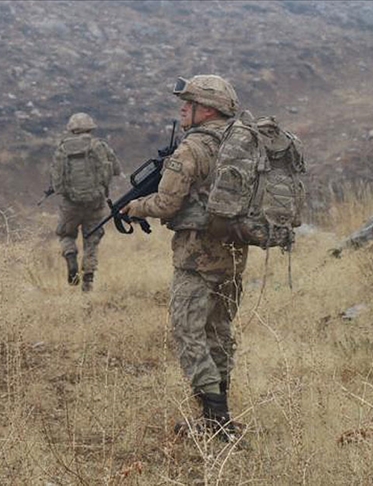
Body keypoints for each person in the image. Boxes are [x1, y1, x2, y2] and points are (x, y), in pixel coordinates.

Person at [122, 75, 247, 442]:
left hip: (196, 257)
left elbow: (166, 204)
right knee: (219, 333)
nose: (182, 109)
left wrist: (135, 207)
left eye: (188, 103)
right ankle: (218, 418)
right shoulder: (241, 143)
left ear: (206, 109)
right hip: (234, 255)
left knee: (188, 333)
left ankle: (217, 423)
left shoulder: (191, 149)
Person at [50, 112, 122, 291]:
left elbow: (57, 181)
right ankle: (88, 281)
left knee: (66, 235)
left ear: (71, 128)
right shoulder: (99, 146)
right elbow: (115, 169)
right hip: (95, 203)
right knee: (92, 239)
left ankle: (70, 254)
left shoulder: (62, 149)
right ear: (91, 127)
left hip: (70, 205)